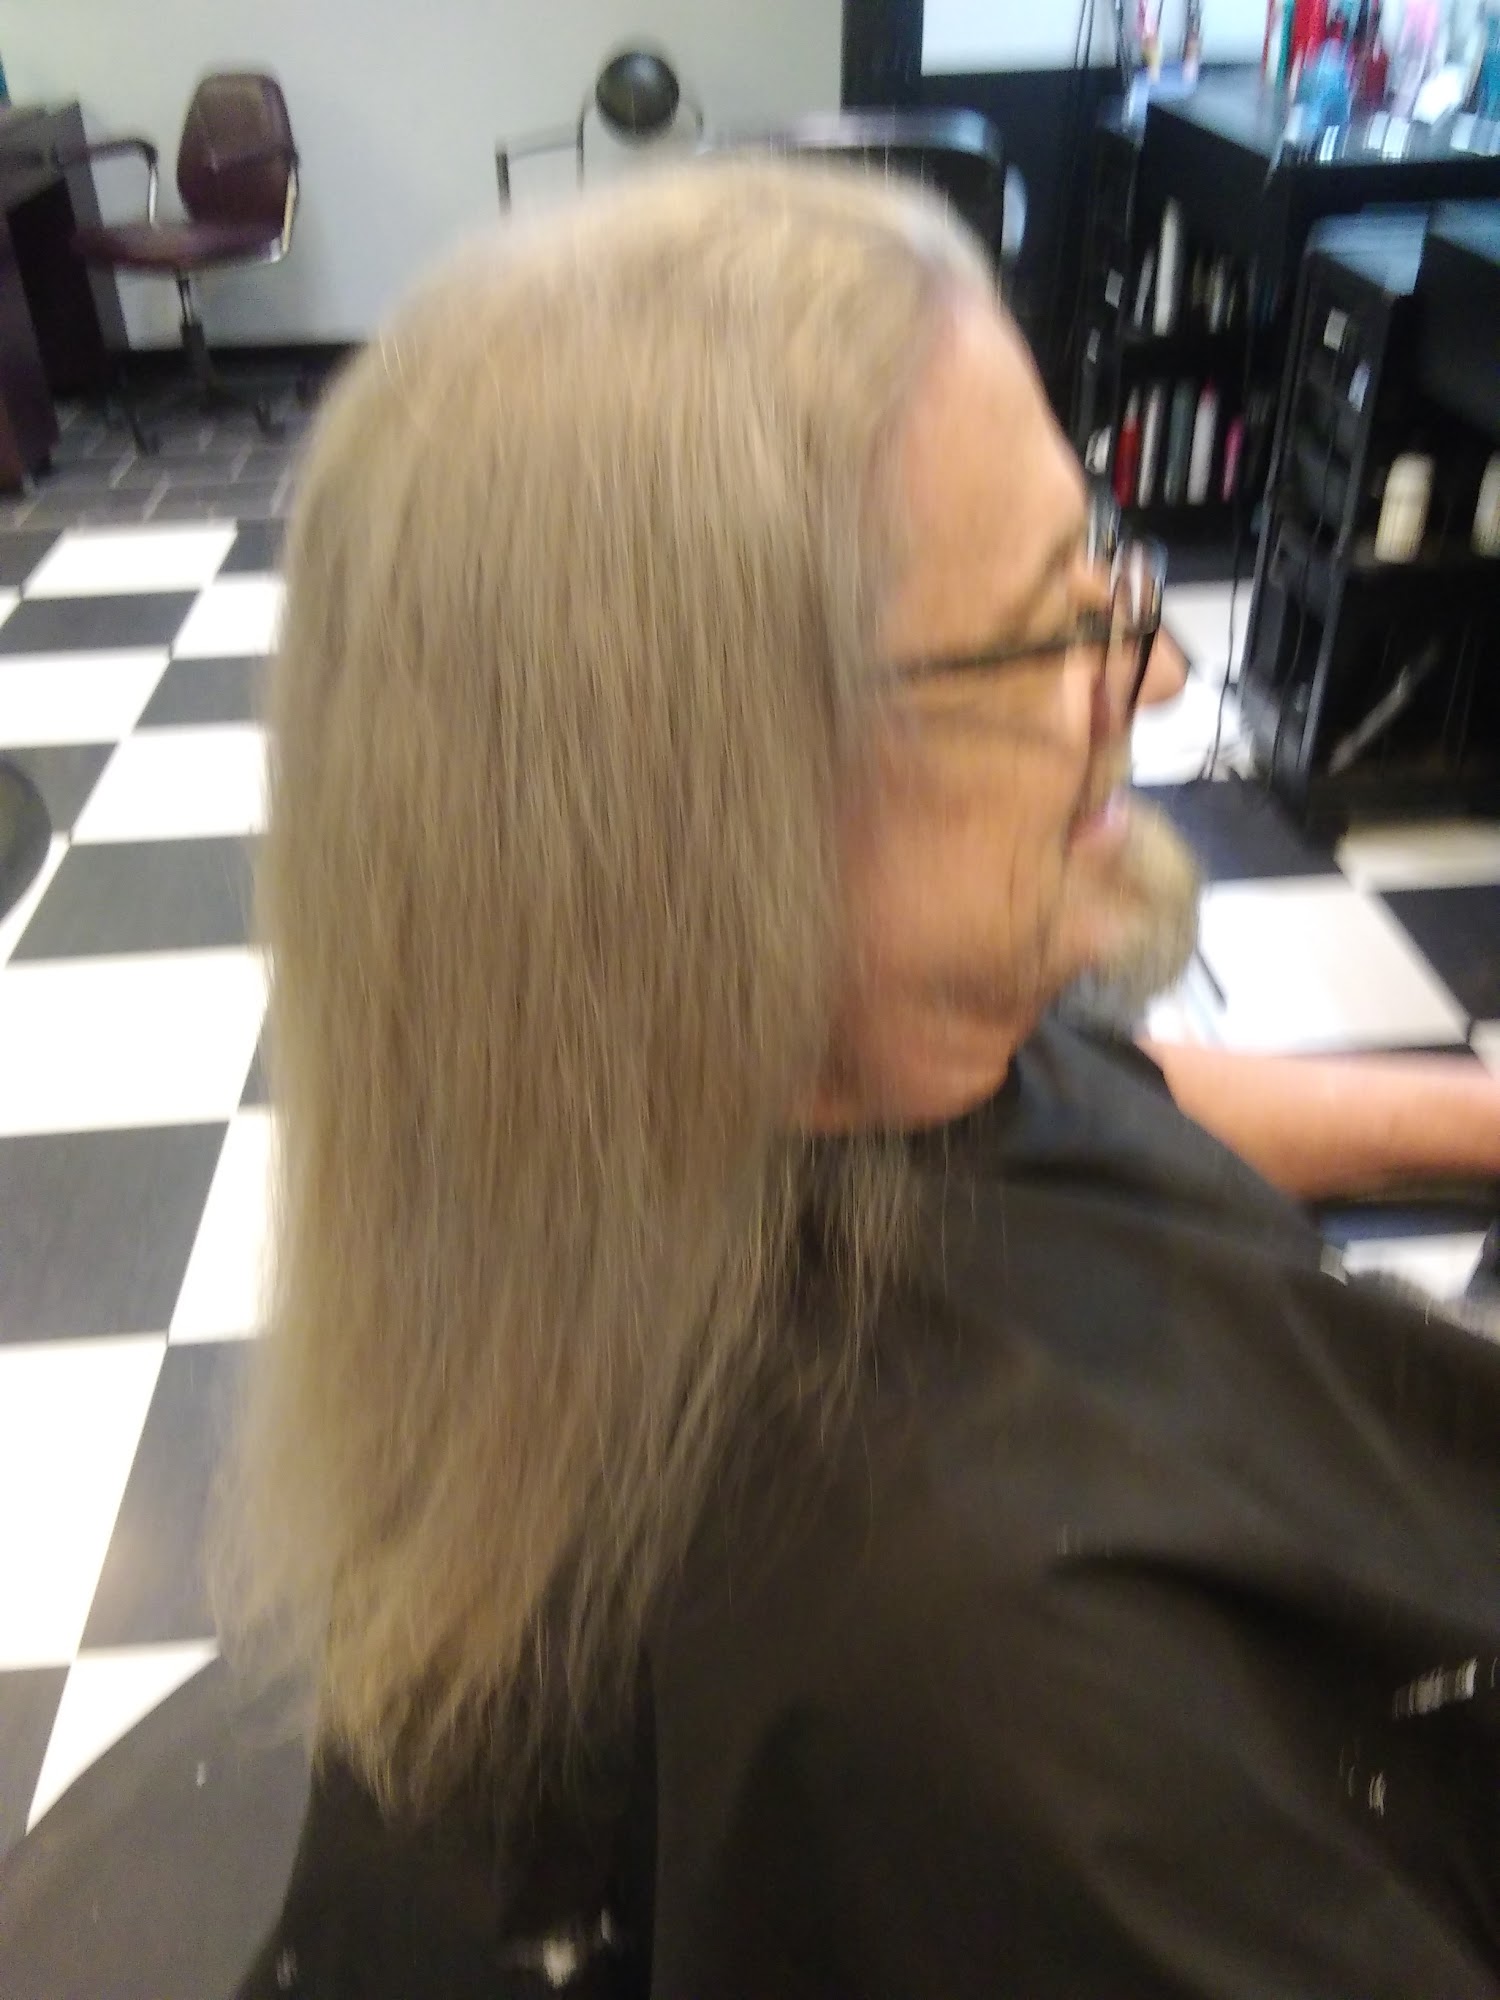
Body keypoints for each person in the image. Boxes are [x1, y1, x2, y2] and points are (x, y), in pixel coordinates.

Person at [226, 161, 1500, 2000]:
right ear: (738, 807)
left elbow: (1097, 1096)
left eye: (1107, 574)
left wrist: (1467, 1118)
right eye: (1061, 626)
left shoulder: (778, 1063)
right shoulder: (1010, 1695)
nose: (1152, 677)